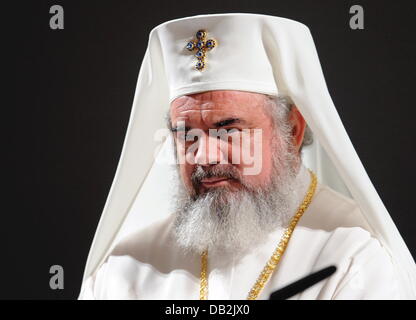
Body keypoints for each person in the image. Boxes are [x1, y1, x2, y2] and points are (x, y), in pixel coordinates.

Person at [78, 13, 416, 299]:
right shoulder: (126, 269)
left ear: (293, 130)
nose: (205, 155)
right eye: (186, 134)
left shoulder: (353, 257)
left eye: (228, 128)